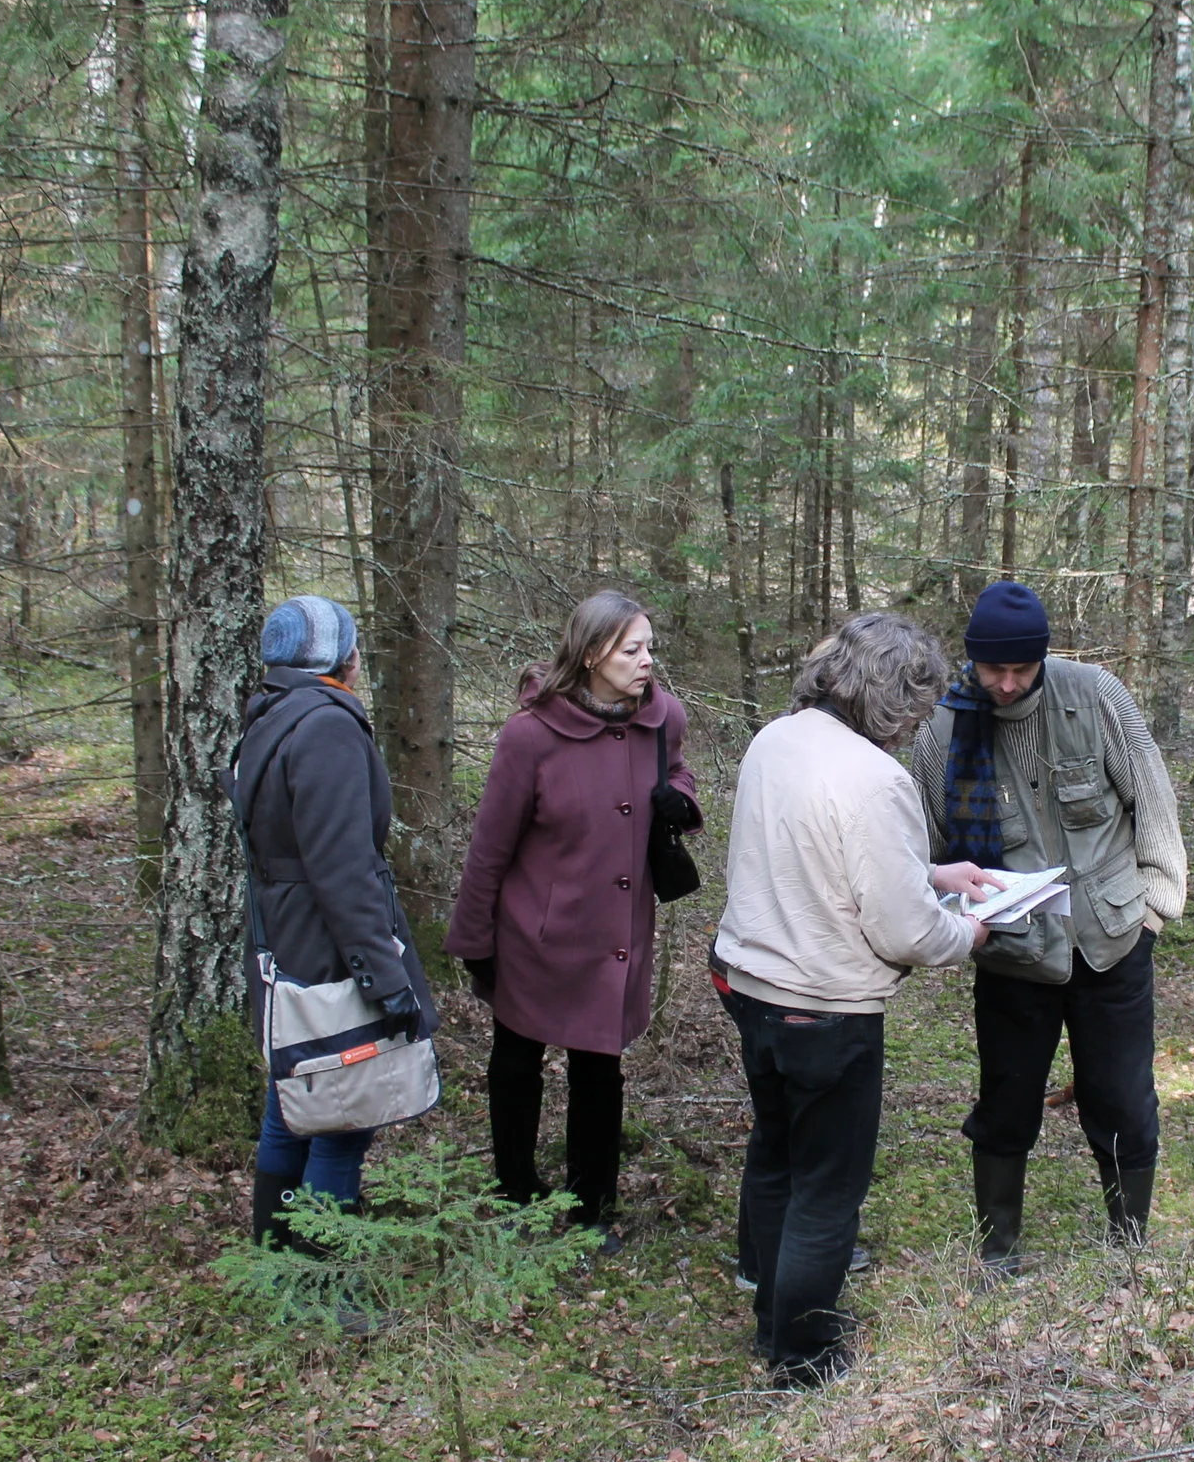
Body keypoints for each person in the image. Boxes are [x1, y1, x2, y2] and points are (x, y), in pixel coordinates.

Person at [713, 613, 1001, 1387]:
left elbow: (814, 854)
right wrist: (968, 934)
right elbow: (905, 931)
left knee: (775, 1157)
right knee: (827, 1190)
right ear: (892, 695)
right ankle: (804, 1356)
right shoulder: (876, 778)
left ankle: (772, 1319)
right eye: (916, 704)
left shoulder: (778, 738)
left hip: (755, 989)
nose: (918, 723)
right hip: (826, 1007)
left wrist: (936, 874)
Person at [909, 581, 1188, 1270]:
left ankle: (1128, 1245)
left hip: (1113, 941)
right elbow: (923, 848)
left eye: (1020, 669)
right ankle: (998, 1252)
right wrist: (956, 915)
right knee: (1006, 1104)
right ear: (971, 660)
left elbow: (1151, 796)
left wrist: (1155, 905)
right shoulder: (943, 732)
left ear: (1043, 656)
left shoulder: (1094, 696)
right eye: (991, 669)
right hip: (1010, 956)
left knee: (1123, 1100)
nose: (1005, 684)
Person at [446, 591, 697, 1255]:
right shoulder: (529, 734)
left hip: (617, 936)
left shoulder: (662, 716)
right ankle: (518, 1192)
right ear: (591, 655)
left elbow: (677, 770)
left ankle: (593, 1208)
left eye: (649, 646)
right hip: (537, 935)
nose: (648, 661)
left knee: (598, 1071)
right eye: (631, 649)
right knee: (517, 1062)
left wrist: (683, 800)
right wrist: (474, 939)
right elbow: (490, 847)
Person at [241, 594, 439, 1245]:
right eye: (353, 646)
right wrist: (387, 979)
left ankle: (273, 1256)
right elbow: (342, 868)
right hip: (328, 945)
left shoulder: (270, 712)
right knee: (342, 1113)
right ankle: (321, 1286)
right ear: (338, 660)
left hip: (288, 935)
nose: (359, 659)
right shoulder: (325, 726)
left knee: (295, 1095)